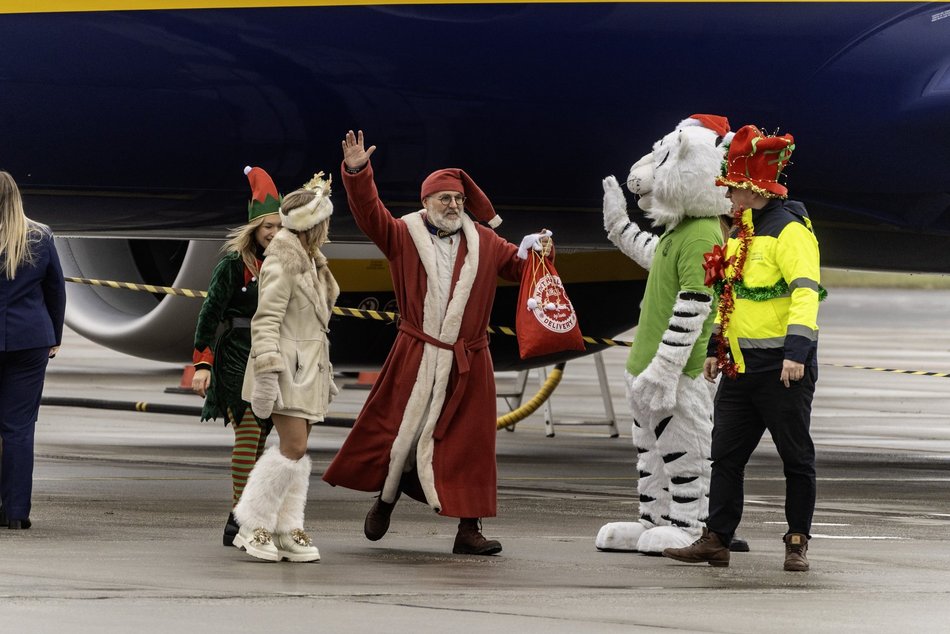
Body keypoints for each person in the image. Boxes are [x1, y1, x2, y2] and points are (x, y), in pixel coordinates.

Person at [322, 130, 552, 556]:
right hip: (417, 352)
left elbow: (521, 271)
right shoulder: (402, 234)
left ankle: (469, 528)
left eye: (458, 200)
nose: (452, 206)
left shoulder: (486, 242)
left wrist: (538, 250)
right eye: (444, 199)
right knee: (397, 434)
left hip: (470, 358)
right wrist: (357, 172)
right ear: (426, 202)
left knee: (471, 444)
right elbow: (369, 213)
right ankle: (385, 500)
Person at [663, 124, 822, 571]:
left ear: (753, 191)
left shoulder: (790, 233)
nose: (728, 198)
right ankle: (717, 538)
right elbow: (728, 296)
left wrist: (796, 352)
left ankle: (796, 541)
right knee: (726, 456)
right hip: (739, 366)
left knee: (796, 458)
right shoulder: (741, 231)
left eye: (733, 190)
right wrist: (716, 346)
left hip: (781, 367)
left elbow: (806, 293)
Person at [231, 172, 338, 563]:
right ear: (314, 224)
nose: (329, 229)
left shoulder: (310, 259)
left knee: (298, 450)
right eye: (325, 222)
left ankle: (287, 525)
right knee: (291, 448)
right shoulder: (284, 260)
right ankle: (252, 524)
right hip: (284, 370)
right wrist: (267, 372)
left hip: (309, 369)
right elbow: (266, 320)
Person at [191, 166, 282, 546]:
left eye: (280, 227)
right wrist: (201, 364)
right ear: (254, 230)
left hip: (273, 357)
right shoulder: (233, 265)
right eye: (267, 228)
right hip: (236, 357)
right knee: (247, 435)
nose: (274, 234)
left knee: (262, 439)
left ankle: (236, 518)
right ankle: (244, 518)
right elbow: (210, 314)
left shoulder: (286, 265)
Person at [0, 170, 66, 530]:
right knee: (19, 429)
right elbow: (56, 290)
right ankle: (15, 512)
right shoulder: (40, 236)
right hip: (30, 340)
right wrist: (53, 335)